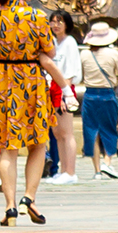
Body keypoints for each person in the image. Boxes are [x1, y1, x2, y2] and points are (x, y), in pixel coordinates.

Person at [0, 0, 71, 228]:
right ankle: (29, 197)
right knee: (38, 144)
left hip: (2, 84)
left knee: (8, 149)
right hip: (31, 84)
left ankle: (10, 206)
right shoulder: (38, 18)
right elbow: (50, 53)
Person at [77, 21, 118, 180]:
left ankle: (97, 170)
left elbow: (80, 73)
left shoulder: (84, 54)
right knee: (109, 129)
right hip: (107, 95)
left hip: (90, 95)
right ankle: (108, 162)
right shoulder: (113, 54)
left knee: (91, 131)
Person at [44, 10, 83, 184]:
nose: (56, 25)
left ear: (67, 24)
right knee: (57, 133)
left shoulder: (70, 43)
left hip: (64, 88)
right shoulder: (53, 43)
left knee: (67, 133)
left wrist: (64, 94)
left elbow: (71, 71)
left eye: (60, 21)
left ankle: (71, 171)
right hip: (52, 88)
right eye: (53, 21)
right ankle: (62, 170)